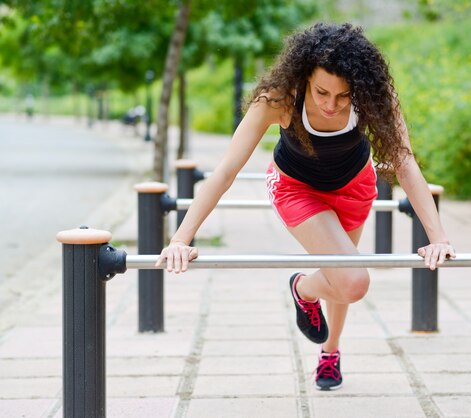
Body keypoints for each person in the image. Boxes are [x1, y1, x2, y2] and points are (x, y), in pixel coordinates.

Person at [156, 22, 455, 391]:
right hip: (297, 188)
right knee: (353, 280)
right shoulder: (279, 98)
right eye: (321, 92)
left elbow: (404, 163)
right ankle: (304, 289)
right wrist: (181, 238)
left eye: (343, 96)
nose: (331, 105)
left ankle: (330, 350)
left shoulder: (374, 96)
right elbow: (225, 171)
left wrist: (438, 237)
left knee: (344, 264)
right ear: (304, 78)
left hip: (354, 186)